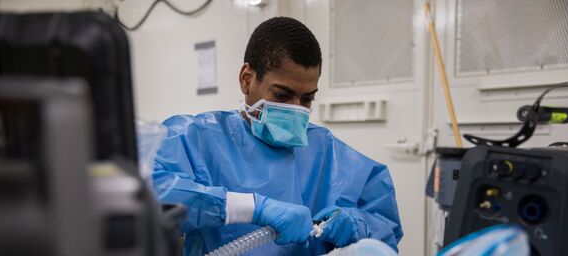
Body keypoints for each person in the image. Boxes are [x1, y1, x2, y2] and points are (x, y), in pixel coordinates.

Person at [152, 17, 403, 255]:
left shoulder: (324, 150)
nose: (295, 109)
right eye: (282, 96)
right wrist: (251, 208)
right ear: (247, 80)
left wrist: (355, 225)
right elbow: (148, 193)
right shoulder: (198, 139)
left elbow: (384, 222)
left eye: (307, 99)